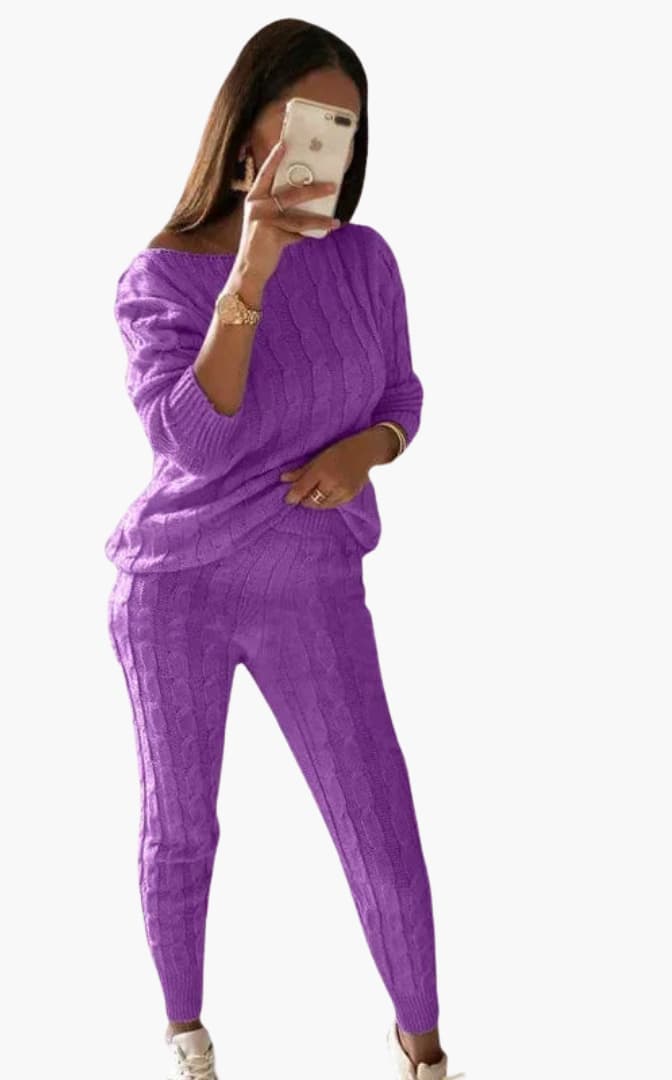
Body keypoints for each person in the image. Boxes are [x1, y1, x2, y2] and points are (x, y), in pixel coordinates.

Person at [104, 19, 463, 1080]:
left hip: (312, 582)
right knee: (182, 826)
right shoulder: (159, 277)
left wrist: (366, 449)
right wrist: (252, 269)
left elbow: (403, 393)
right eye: (304, 114)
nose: (324, 141)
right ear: (247, 120)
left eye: (345, 123)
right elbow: (195, 443)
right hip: (173, 588)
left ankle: (425, 1049)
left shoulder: (365, 259)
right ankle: (188, 1037)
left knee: (377, 817)